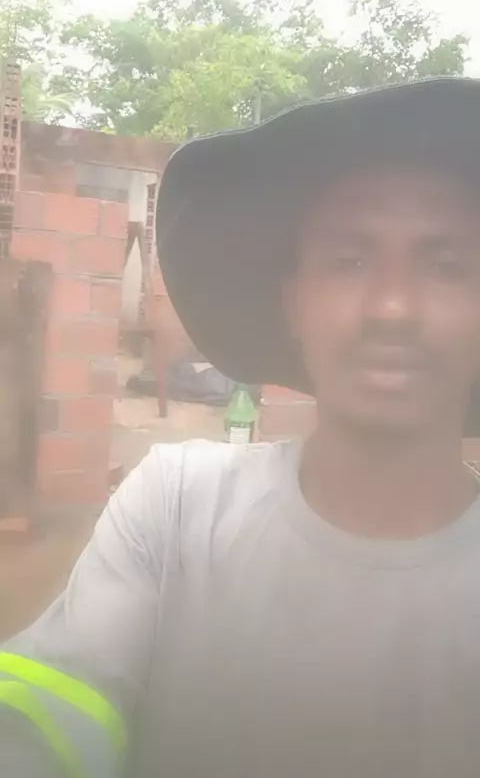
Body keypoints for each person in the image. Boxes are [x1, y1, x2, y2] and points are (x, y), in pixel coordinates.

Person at [3, 78, 480, 778]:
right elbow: (44, 718)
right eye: (349, 261)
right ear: (294, 304)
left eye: (446, 265)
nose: (392, 307)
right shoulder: (174, 507)